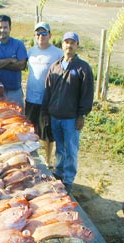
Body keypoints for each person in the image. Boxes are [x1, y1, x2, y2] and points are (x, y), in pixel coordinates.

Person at [41, 32, 94, 193]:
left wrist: (81, 115)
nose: (69, 45)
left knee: (71, 150)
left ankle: (69, 179)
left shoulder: (82, 68)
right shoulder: (55, 66)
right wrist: (45, 113)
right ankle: (58, 173)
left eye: (72, 43)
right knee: (60, 147)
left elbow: (87, 94)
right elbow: (48, 91)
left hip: (71, 119)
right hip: (55, 116)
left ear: (77, 46)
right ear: (62, 45)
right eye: (66, 42)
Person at [25, 22, 63, 169]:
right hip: (31, 98)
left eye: (44, 33)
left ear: (50, 35)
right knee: (30, 131)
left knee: (47, 133)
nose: (41, 36)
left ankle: (48, 161)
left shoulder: (58, 53)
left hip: (48, 100)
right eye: (38, 34)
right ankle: (32, 160)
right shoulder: (31, 52)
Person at [0, 14, 27, 109]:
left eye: (5, 27)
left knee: (18, 119)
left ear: (10, 28)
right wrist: (10, 60)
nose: (2, 30)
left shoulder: (18, 44)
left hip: (14, 91)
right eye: (0, 27)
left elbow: (21, 65)